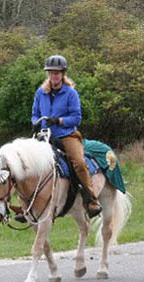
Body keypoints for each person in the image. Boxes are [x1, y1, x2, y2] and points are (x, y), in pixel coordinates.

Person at [31, 55, 102, 217]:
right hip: (45, 136)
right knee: (26, 162)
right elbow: (34, 114)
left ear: (63, 74)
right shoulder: (40, 93)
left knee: (78, 163)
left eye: (57, 73)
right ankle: (26, 204)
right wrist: (36, 122)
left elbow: (76, 118)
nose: (53, 76)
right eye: (51, 73)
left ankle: (91, 200)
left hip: (66, 135)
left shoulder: (71, 93)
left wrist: (59, 121)